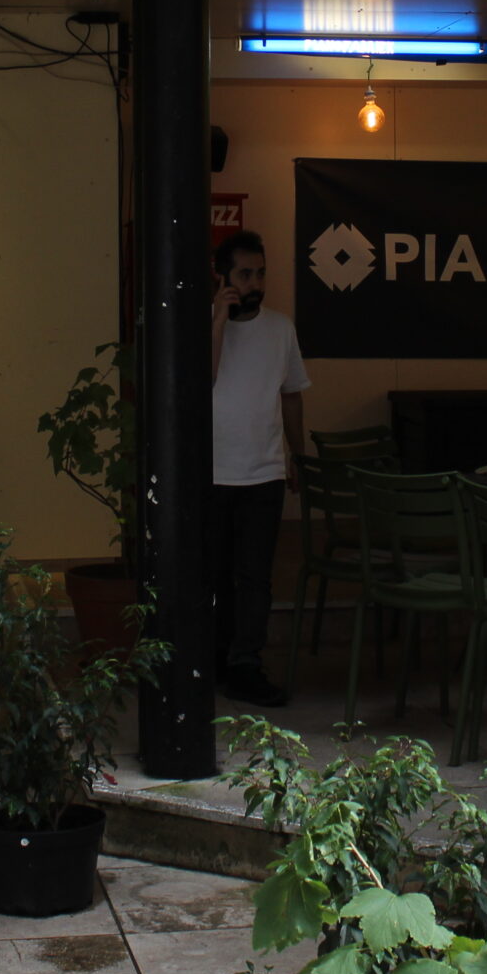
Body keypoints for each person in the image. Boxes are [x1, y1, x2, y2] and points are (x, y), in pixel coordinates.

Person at [210, 229, 308, 708]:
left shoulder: (281, 328)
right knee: (213, 573)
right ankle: (214, 657)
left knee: (254, 577)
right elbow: (198, 381)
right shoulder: (208, 326)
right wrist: (218, 321)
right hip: (211, 472)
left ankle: (245, 663)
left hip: (264, 472)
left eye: (260, 273)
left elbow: (291, 394)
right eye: (245, 274)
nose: (255, 283)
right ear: (223, 277)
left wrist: (297, 454)